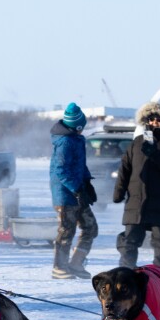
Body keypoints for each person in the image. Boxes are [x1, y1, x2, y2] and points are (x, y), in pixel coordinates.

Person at [113, 101, 160, 269]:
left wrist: (155, 154)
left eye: (158, 119)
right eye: (151, 119)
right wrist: (119, 191)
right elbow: (125, 168)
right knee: (128, 242)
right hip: (136, 203)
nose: (154, 123)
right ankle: (126, 275)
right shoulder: (137, 142)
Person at [49, 102, 99, 279]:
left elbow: (80, 165)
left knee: (90, 228)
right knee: (66, 230)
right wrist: (76, 189)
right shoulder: (65, 142)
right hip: (65, 195)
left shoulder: (77, 140)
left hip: (78, 192)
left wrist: (87, 183)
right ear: (77, 125)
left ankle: (76, 263)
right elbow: (61, 170)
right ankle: (59, 266)